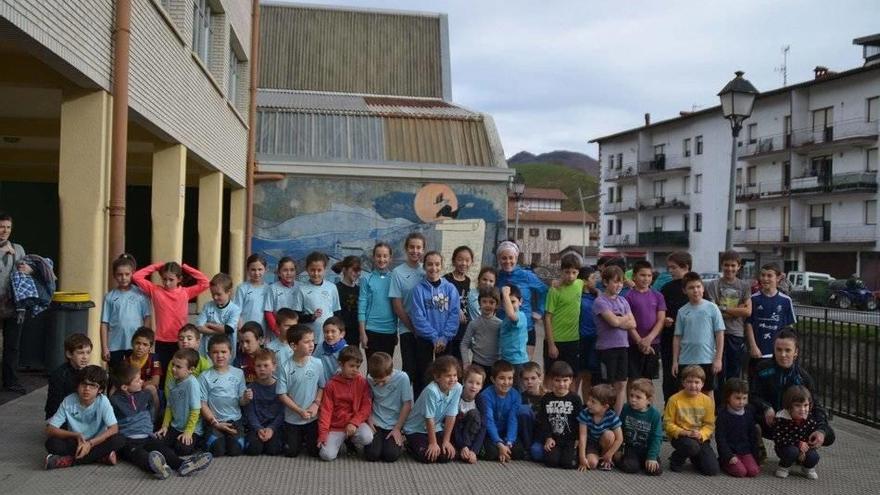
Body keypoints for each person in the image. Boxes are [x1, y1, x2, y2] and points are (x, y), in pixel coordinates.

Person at [110, 363, 212, 478]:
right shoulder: (114, 401)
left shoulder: (144, 395)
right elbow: (112, 421)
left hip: (147, 437)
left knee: (165, 450)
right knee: (140, 456)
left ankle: (184, 465)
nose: (142, 381)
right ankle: (159, 468)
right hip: (128, 441)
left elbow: (151, 410)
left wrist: (150, 424)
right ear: (124, 387)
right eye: (137, 381)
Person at [750, 328, 835, 447]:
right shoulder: (762, 369)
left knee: (829, 435)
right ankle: (754, 448)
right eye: (779, 350)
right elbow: (752, 396)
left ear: (796, 352)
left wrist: (821, 430)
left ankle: (802, 448)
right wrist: (766, 407)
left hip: (793, 426)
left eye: (787, 350)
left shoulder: (803, 378)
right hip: (769, 421)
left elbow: (816, 406)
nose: (782, 354)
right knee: (743, 413)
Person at [132, 261, 209, 376]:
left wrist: (186, 267)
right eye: (164, 279)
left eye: (171, 279)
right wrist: (156, 266)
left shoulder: (185, 292)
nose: (167, 283)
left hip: (181, 341)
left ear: (179, 279)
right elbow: (136, 276)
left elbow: (205, 282)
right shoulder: (155, 291)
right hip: (161, 341)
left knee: (180, 373)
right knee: (161, 373)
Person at [44, 365, 125, 469]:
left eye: (93, 386)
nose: (87, 389)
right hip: (76, 442)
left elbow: (114, 428)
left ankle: (70, 461)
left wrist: (90, 444)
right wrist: (76, 435)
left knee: (119, 439)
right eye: (84, 384)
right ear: (77, 385)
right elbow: (50, 429)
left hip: (97, 442)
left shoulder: (103, 401)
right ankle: (99, 457)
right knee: (52, 443)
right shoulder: (69, 401)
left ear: (100, 390)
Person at [408, 251, 460, 397]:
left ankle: (443, 403)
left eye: (437, 264)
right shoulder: (418, 290)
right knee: (423, 374)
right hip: (425, 339)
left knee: (445, 374)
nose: (434, 268)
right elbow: (418, 317)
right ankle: (421, 404)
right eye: (430, 264)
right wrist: (434, 337)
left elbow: (454, 314)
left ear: (442, 266)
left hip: (445, 340)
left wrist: (444, 337)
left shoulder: (450, 288)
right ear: (424, 266)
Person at [672, 272, 725, 400]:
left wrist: (718, 358)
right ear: (684, 291)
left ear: (703, 288)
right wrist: (675, 361)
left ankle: (709, 414)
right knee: (684, 393)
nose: (695, 290)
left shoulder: (712, 308)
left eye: (698, 286)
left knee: (708, 392)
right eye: (691, 287)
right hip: (686, 360)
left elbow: (719, 334)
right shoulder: (682, 311)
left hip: (707, 359)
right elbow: (677, 337)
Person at [276, 324, 325, 458]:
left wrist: (316, 404)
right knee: (291, 453)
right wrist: (299, 411)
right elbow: (282, 395)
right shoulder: (285, 367)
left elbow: (322, 386)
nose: (311, 345)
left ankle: (306, 440)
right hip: (292, 419)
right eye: (307, 342)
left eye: (312, 341)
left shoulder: (317, 363)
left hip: (312, 417)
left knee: (315, 452)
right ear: (294, 346)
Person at [317, 346, 373, 461]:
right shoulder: (331, 385)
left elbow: (366, 407)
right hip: (335, 427)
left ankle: (350, 440)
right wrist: (323, 434)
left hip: (354, 424)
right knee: (326, 455)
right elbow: (326, 411)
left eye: (357, 367)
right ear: (341, 364)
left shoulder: (362, 382)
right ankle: (340, 441)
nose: (355, 370)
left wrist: (354, 422)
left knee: (367, 437)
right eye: (351, 366)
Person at [403, 355, 462, 464]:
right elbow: (429, 418)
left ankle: (430, 443)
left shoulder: (458, 388)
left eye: (455, 375)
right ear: (437, 377)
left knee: (447, 456)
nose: (453, 379)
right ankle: (409, 445)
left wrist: (446, 441)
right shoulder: (431, 390)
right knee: (428, 457)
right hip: (416, 429)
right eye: (448, 376)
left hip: (436, 427)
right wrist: (433, 443)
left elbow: (451, 415)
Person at [703, 251, 752, 382]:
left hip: (736, 333)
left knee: (734, 372)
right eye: (726, 265)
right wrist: (737, 311)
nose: (729, 268)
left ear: (738, 266)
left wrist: (722, 308)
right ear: (721, 265)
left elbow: (747, 312)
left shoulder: (744, 286)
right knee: (716, 372)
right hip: (716, 333)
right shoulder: (713, 284)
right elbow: (713, 312)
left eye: (733, 265)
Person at [663, 365, 720, 475]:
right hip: (681, 436)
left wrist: (701, 434)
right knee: (691, 447)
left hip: (699, 437)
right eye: (689, 382)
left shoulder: (707, 401)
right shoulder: (674, 399)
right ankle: (675, 459)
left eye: (697, 382)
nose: (693, 385)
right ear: (683, 383)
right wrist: (684, 432)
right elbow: (667, 423)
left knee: (712, 470)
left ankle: (695, 456)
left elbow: (710, 425)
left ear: (702, 384)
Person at [593, 265, 635, 414]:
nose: (619, 285)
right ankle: (603, 416)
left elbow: (633, 323)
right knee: (607, 385)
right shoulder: (600, 301)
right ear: (605, 282)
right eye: (615, 282)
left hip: (623, 346)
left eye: (621, 282)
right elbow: (613, 322)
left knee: (621, 384)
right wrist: (622, 319)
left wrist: (618, 320)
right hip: (606, 349)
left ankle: (616, 417)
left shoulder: (623, 300)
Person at [495, 241, 547, 359]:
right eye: (504, 258)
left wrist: (540, 311)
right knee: (503, 367)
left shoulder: (526, 275)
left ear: (516, 258)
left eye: (511, 258)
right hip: (503, 328)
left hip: (526, 328)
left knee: (525, 366)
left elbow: (544, 291)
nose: (508, 261)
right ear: (499, 259)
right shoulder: (497, 277)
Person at [389, 233, 426, 391]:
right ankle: (404, 404)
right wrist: (413, 328)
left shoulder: (427, 270)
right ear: (406, 248)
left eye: (418, 247)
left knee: (424, 372)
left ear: (423, 250)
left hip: (426, 331)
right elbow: (397, 306)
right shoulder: (397, 273)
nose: (415, 251)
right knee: (409, 371)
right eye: (412, 247)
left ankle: (420, 404)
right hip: (407, 329)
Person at [199, 334, 247, 457]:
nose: (220, 355)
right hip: (214, 421)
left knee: (235, 450)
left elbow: (242, 401)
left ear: (231, 353)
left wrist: (246, 398)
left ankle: (229, 439)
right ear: (209, 354)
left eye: (223, 352)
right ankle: (212, 438)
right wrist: (214, 422)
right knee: (217, 450)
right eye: (215, 352)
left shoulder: (238, 373)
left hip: (234, 420)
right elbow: (202, 404)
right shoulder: (204, 376)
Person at [745, 263, 796, 378]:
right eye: (763, 275)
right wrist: (753, 346)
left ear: (778, 278)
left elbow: (789, 329)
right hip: (758, 353)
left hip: (777, 354)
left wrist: (788, 351)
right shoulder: (753, 299)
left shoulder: (786, 300)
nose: (765, 278)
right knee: (756, 382)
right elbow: (749, 324)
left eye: (769, 275)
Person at [100, 254, 151, 367]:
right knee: (116, 374)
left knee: (135, 374)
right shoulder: (109, 297)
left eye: (127, 274)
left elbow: (147, 317)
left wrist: (145, 341)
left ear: (132, 274)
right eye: (120, 274)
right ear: (114, 275)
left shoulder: (141, 295)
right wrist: (104, 347)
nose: (123, 277)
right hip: (114, 345)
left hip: (136, 345)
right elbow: (104, 323)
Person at [543, 255, 584, 392]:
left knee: (572, 376)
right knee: (550, 376)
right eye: (567, 272)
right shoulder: (554, 290)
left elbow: (593, 283)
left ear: (578, 273)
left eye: (574, 272)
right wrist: (551, 344)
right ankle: (545, 402)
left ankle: (571, 402)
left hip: (573, 340)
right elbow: (547, 317)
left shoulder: (580, 284)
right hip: (556, 340)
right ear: (561, 271)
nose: (570, 276)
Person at [364, 351, 412, 463]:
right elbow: (368, 401)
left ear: (391, 372)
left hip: (394, 423)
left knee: (390, 455)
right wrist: (369, 420)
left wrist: (397, 428)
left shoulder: (403, 378)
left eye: (383, 381)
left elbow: (407, 404)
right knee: (372, 455)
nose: (380, 384)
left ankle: (403, 441)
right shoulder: (369, 378)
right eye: (377, 382)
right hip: (376, 421)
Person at [157, 349, 205, 457]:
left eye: (178, 367)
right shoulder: (172, 381)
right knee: (158, 442)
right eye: (173, 365)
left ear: (191, 370)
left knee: (182, 449)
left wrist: (188, 432)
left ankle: (198, 443)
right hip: (176, 426)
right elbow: (169, 407)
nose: (173, 369)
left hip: (192, 429)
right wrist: (165, 426)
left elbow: (195, 411)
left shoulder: (192, 384)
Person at [624, 260, 665, 381]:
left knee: (648, 380)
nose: (646, 278)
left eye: (649, 275)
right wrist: (639, 341)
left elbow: (661, 319)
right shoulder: (627, 297)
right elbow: (628, 321)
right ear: (634, 276)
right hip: (633, 343)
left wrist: (649, 338)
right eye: (642, 275)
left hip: (653, 342)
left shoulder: (658, 296)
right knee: (633, 379)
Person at [535, 361, 582, 469]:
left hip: (570, 439)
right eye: (557, 380)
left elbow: (579, 420)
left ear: (571, 380)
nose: (561, 384)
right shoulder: (546, 399)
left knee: (568, 464)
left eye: (565, 380)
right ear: (551, 380)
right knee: (551, 462)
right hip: (554, 438)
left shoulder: (575, 399)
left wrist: (578, 438)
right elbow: (544, 420)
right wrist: (548, 437)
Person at [0, 211, 27, 394]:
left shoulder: (18, 249)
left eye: (8, 227)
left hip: (13, 305)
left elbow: (26, 270)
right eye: (1, 227)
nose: (5, 231)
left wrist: (27, 268)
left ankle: (10, 381)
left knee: (12, 346)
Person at [659, 251, 692, 402]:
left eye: (673, 267)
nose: (670, 271)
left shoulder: (696, 286)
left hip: (690, 340)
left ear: (685, 267)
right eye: (669, 268)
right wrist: (664, 320)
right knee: (670, 377)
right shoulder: (667, 288)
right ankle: (669, 408)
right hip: (669, 339)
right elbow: (659, 312)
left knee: (688, 376)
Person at [773, 385, 822, 479]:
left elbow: (811, 437)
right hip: (786, 447)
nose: (803, 409)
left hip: (804, 448)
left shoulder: (810, 419)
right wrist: (798, 444)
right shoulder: (781, 418)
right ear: (789, 406)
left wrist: (808, 446)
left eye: (805, 405)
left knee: (814, 456)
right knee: (792, 451)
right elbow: (778, 439)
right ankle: (784, 466)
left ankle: (807, 467)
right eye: (797, 405)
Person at [479, 360, 524, 462]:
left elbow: (513, 419)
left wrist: (509, 442)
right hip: (489, 433)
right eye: (502, 378)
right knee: (491, 453)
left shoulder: (515, 395)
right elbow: (489, 421)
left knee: (518, 452)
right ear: (493, 379)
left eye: (510, 378)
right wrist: (499, 443)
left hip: (505, 433)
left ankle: (504, 451)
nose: (506, 382)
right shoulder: (485, 396)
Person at [293, 251, 341, 347]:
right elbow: (296, 316)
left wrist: (337, 333)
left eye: (319, 270)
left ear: (324, 270)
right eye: (312, 270)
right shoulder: (301, 289)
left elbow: (337, 313)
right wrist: (312, 317)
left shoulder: (332, 287)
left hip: (329, 338)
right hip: (310, 339)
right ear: (307, 269)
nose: (316, 273)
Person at [359, 242, 397, 358]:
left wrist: (396, 331)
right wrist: (362, 333)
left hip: (389, 332)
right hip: (371, 330)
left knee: (387, 367)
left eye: (385, 256)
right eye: (378, 256)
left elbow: (398, 305)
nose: (381, 259)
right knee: (372, 367)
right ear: (373, 257)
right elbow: (362, 307)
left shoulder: (394, 279)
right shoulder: (366, 279)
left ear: (390, 258)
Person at [243, 349, 284, 456]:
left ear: (274, 367)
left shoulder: (280, 387)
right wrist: (258, 428)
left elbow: (282, 412)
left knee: (273, 450)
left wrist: (272, 428)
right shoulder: (250, 388)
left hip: (275, 426)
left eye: (266, 365)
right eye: (258, 366)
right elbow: (250, 412)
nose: (262, 369)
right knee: (254, 450)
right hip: (256, 426)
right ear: (254, 367)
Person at [715, 378, 760, 478]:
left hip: (745, 451)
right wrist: (728, 456)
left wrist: (755, 457)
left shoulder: (748, 414)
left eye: (744, 398)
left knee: (754, 471)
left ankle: (744, 461)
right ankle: (723, 463)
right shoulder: (723, 415)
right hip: (730, 452)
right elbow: (720, 439)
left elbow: (752, 437)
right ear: (728, 397)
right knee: (741, 472)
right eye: (738, 398)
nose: (741, 402)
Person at [617, 379, 662, 475]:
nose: (633, 399)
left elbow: (656, 437)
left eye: (638, 397)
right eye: (631, 395)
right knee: (631, 467)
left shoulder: (654, 415)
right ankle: (632, 462)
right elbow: (619, 429)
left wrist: (652, 457)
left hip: (647, 449)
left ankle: (643, 462)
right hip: (631, 448)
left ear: (648, 400)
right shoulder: (626, 408)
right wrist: (619, 449)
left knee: (655, 471)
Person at [45, 333, 93, 419]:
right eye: (80, 353)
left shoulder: (90, 373)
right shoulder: (60, 375)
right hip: (62, 416)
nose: (85, 357)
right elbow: (54, 406)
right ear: (69, 354)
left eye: (88, 352)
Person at [577, 383, 623, 471]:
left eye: (593, 402)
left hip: (605, 443)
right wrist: (582, 457)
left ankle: (604, 458)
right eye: (589, 400)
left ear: (605, 406)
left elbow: (619, 439)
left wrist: (609, 454)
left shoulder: (612, 416)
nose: (588, 403)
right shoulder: (585, 413)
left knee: (609, 435)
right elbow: (583, 436)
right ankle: (596, 458)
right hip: (591, 443)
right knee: (591, 464)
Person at [197, 273, 242, 358]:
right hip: (207, 353)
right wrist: (220, 331)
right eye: (212, 294)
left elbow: (229, 329)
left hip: (226, 354)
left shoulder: (235, 309)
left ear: (229, 292)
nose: (215, 297)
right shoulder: (207, 306)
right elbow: (199, 327)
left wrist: (209, 325)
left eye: (218, 294)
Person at [459, 286, 501, 376]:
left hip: (495, 365)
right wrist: (466, 362)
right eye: (484, 301)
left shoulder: (500, 324)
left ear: (497, 305)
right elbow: (464, 344)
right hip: (477, 364)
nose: (487, 305)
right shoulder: (474, 324)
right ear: (479, 303)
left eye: (491, 302)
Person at [163, 324, 212, 398]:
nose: (184, 341)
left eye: (189, 339)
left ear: (198, 342)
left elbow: (208, 386)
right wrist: (170, 401)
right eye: (181, 339)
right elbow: (168, 386)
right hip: (176, 398)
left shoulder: (204, 363)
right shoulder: (173, 362)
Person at [443, 245, 474, 361]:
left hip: (463, 328)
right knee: (446, 360)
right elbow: (441, 301)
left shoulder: (468, 280)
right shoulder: (446, 279)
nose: (464, 263)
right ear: (453, 261)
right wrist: (456, 310)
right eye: (460, 259)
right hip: (448, 327)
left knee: (460, 360)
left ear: (471, 262)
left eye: (467, 260)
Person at [121, 327, 162, 413]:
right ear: (132, 343)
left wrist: (137, 386)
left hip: (144, 389)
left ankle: (155, 418)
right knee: (115, 389)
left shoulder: (154, 358)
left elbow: (155, 381)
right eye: (138, 343)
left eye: (145, 345)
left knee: (151, 388)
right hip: (130, 389)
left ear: (150, 347)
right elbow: (121, 380)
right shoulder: (126, 359)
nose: (140, 347)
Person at [452, 364, 487, 464]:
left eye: (478, 383)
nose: (474, 386)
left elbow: (483, 426)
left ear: (481, 386)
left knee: (474, 414)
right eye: (470, 382)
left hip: (471, 436)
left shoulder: (480, 400)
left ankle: (469, 452)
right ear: (464, 382)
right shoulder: (457, 396)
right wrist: (462, 445)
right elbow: (454, 424)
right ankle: (463, 450)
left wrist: (474, 450)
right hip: (456, 433)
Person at [233, 254, 269, 345]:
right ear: (247, 270)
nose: (256, 273)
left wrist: (268, 335)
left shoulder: (269, 289)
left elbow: (269, 314)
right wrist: (241, 333)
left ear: (265, 270)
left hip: (262, 335)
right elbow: (237, 312)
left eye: (260, 269)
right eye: (253, 270)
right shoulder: (242, 288)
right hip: (245, 335)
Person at [577, 267, 600, 403]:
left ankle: (586, 405)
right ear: (584, 281)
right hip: (580, 339)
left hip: (594, 339)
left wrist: (598, 293)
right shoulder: (577, 297)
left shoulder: (596, 296)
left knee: (588, 376)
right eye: (592, 278)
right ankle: (574, 403)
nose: (595, 281)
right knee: (577, 375)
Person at [263, 256, 299, 341]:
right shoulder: (273, 288)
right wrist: (277, 330)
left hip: (296, 332)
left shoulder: (300, 287)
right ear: (279, 273)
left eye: (292, 270)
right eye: (285, 270)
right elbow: (268, 312)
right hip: (278, 333)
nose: (289, 273)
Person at [499, 285, 529, 377]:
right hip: (506, 359)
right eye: (507, 302)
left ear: (520, 301)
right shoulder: (505, 319)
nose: (510, 305)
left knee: (517, 385)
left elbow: (511, 315)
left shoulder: (520, 315)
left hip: (517, 361)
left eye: (513, 302)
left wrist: (505, 294)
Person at [518, 361, 544, 458]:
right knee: (523, 410)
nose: (529, 382)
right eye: (526, 379)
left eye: (533, 378)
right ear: (521, 380)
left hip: (541, 435)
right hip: (526, 433)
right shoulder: (520, 397)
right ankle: (527, 448)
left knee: (537, 453)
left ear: (540, 378)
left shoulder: (547, 397)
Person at [335, 255, 362, 348]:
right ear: (344, 269)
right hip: (340, 333)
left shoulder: (359, 290)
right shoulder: (335, 289)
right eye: (354, 269)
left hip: (355, 333)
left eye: (359, 270)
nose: (357, 273)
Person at [313, 316, 347, 383]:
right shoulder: (320, 347)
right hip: (323, 384)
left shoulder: (346, 350)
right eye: (326, 332)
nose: (329, 334)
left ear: (342, 334)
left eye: (333, 331)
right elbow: (314, 363)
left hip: (339, 385)